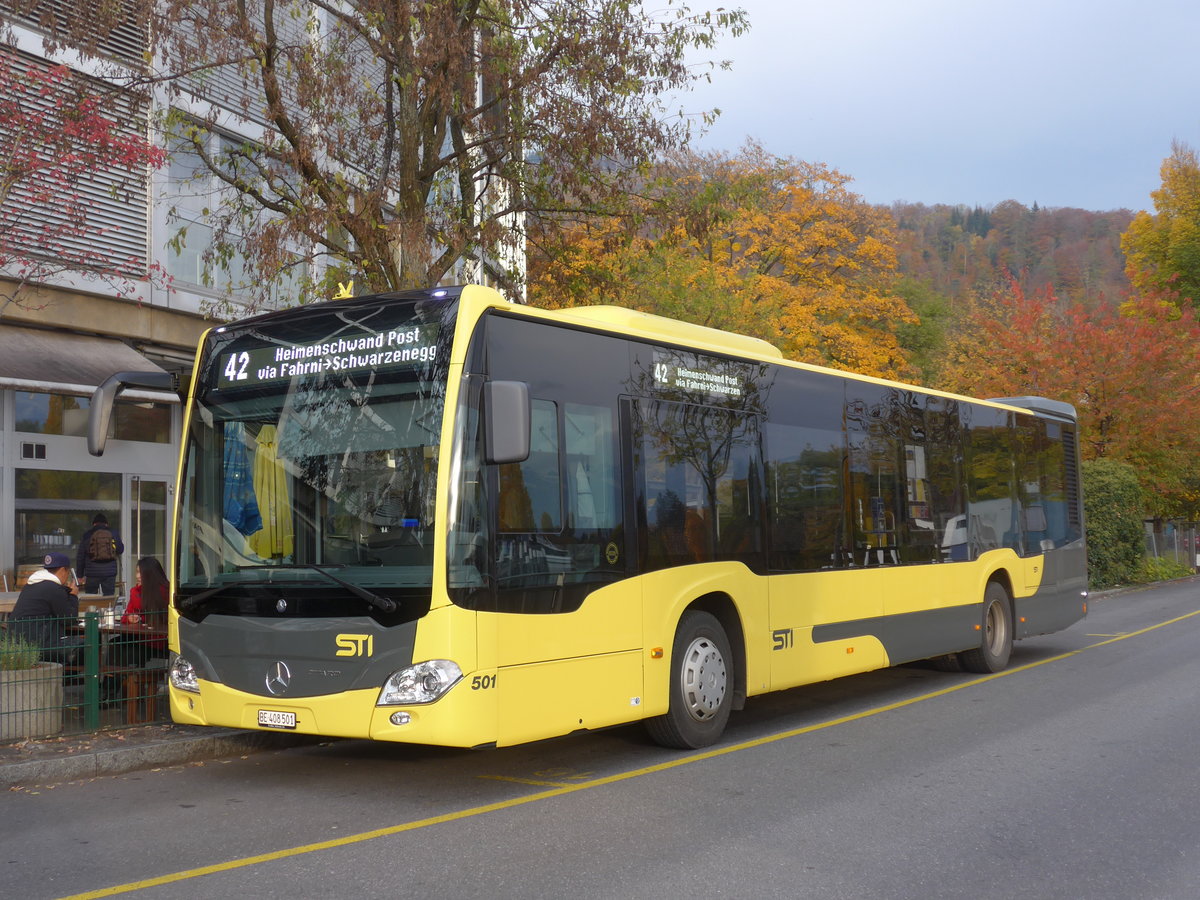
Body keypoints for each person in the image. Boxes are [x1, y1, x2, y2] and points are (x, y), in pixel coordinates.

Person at [8, 552, 82, 665]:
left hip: (19, 641)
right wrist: (73, 596)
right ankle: (86, 680)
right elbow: (69, 618)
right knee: (89, 644)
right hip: (40, 644)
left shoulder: (30, 586)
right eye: (68, 573)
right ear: (63, 570)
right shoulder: (54, 588)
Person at [77, 513, 124, 597]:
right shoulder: (113, 533)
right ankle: (108, 610)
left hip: (92, 573)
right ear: (106, 524)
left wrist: (79, 575)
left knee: (91, 598)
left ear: (94, 524)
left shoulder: (88, 534)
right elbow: (120, 550)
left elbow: (81, 556)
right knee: (108, 598)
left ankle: (92, 610)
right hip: (109, 573)